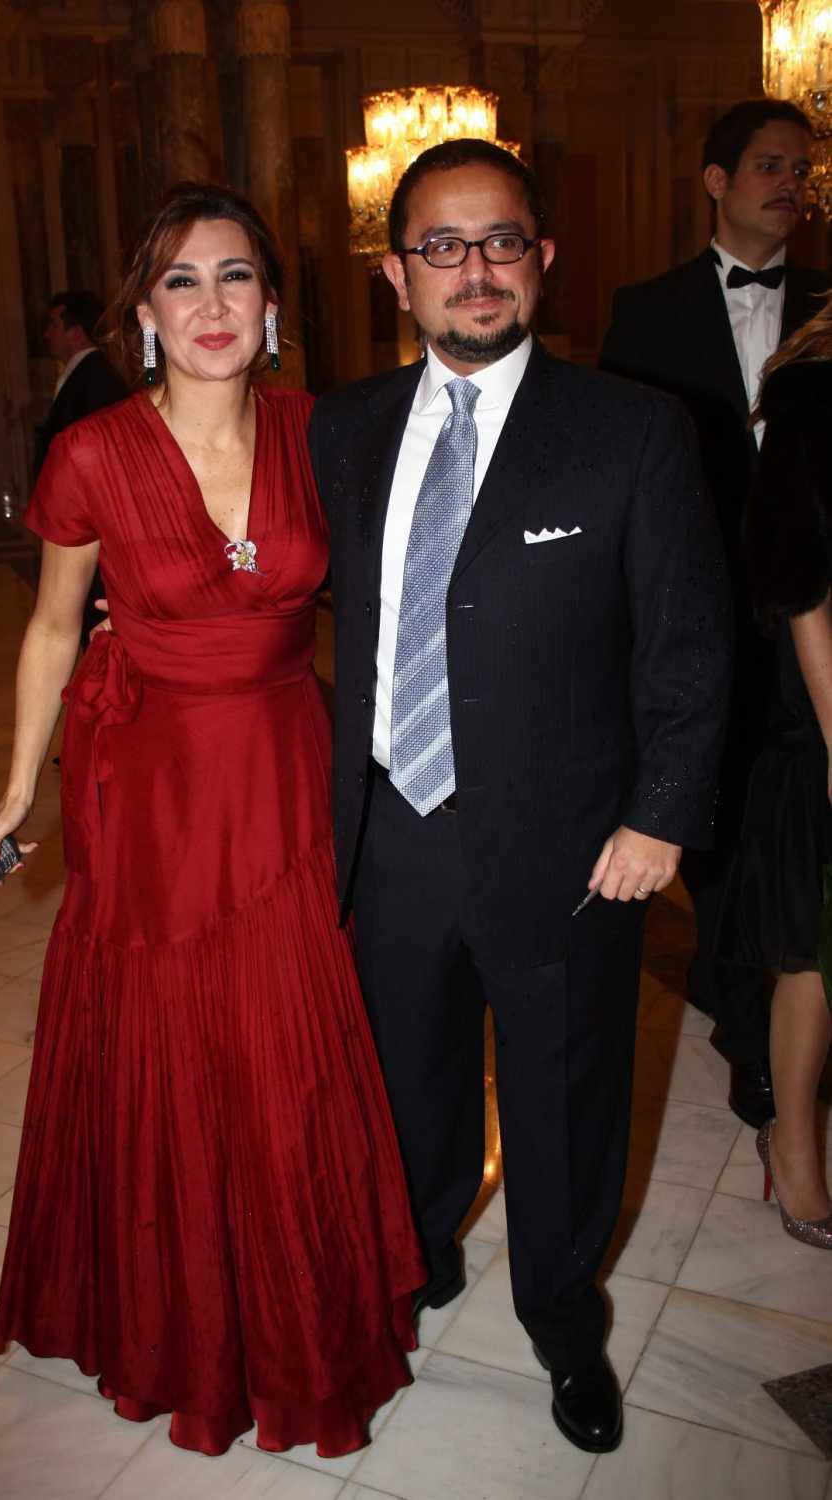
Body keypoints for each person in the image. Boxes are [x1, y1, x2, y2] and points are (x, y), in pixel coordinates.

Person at [0, 182, 424, 1458]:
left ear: (272, 304)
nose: (210, 304)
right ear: (144, 313)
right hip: (155, 783)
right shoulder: (93, 452)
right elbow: (53, 626)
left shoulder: (322, 432)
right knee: (172, 1033)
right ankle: (179, 1319)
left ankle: (301, 1308)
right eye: (181, 280)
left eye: (235, 276)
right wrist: (16, 787)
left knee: (289, 1039)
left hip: (288, 762)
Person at [309, 139, 732, 1455]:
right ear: (396, 275)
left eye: (500, 242)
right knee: (406, 1080)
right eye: (442, 246)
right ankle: (419, 1256)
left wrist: (660, 815)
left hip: (570, 848)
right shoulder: (340, 427)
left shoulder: (630, 429)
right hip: (389, 833)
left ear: (542, 259)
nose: (474, 269)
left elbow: (688, 643)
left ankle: (560, 1319)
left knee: (561, 1100)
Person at [600, 99, 832, 1131]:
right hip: (699, 619)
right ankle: (747, 1029)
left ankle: (772, 1038)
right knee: (718, 838)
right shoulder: (646, 311)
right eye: (769, 166)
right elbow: (623, 483)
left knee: (792, 837)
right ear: (715, 180)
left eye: (801, 171)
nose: (790, 186)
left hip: (812, 624)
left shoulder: (828, 306)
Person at [715, 291, 832, 1249]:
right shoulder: (812, 393)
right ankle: (792, 1146)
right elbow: (797, 584)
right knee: (816, 947)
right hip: (826, 706)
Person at [37, 289, 129, 647]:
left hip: (93, 534)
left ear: (76, 332)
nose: (47, 334)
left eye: (53, 325)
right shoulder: (82, 376)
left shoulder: (97, 379)